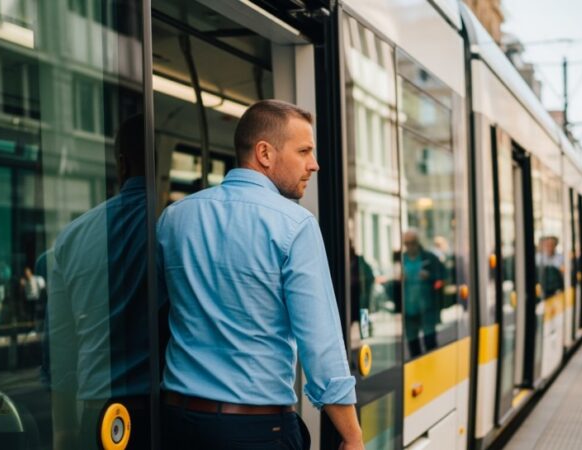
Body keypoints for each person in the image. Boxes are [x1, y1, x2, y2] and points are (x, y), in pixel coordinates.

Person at [157, 100, 363, 450]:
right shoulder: (295, 225)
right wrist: (352, 435)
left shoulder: (174, 217)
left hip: (177, 424)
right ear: (265, 153)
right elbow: (321, 346)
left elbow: (163, 313)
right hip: (255, 431)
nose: (314, 164)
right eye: (304, 151)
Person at [47, 114, 151, 449]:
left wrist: (63, 431)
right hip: (161, 409)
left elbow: (61, 348)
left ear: (121, 164)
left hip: (99, 414)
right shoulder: (171, 226)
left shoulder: (70, 238)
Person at [402, 230, 445, 358]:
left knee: (430, 342)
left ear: (418, 243)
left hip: (427, 308)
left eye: (412, 243)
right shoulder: (402, 259)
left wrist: (430, 276)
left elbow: (443, 276)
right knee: (413, 344)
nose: (410, 246)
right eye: (407, 243)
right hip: (409, 309)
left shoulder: (429, 257)